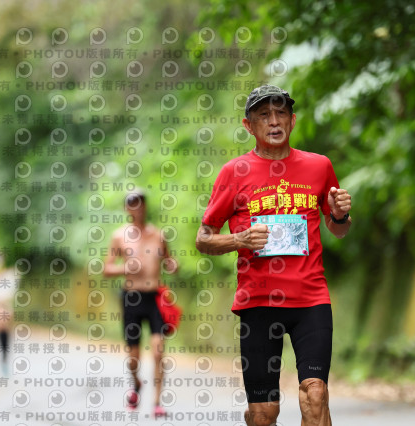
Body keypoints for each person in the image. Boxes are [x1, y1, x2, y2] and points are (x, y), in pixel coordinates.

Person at [196, 85, 352, 426]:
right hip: (258, 303)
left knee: (316, 394)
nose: (274, 121)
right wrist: (240, 239)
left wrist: (340, 215)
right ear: (248, 125)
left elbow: (337, 228)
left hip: (310, 299)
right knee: (263, 414)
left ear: (292, 121)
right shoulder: (233, 172)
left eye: (281, 113)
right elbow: (203, 239)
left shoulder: (319, 166)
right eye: (264, 115)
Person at [104, 190, 178, 418]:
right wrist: (125, 267)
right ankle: (136, 383)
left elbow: (169, 261)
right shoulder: (119, 236)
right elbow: (107, 268)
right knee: (133, 356)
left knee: (158, 351)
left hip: (153, 298)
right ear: (126, 208)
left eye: (139, 203)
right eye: (131, 204)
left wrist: (173, 265)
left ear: (145, 206)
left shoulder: (158, 235)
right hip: (131, 298)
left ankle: (157, 402)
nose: (136, 208)